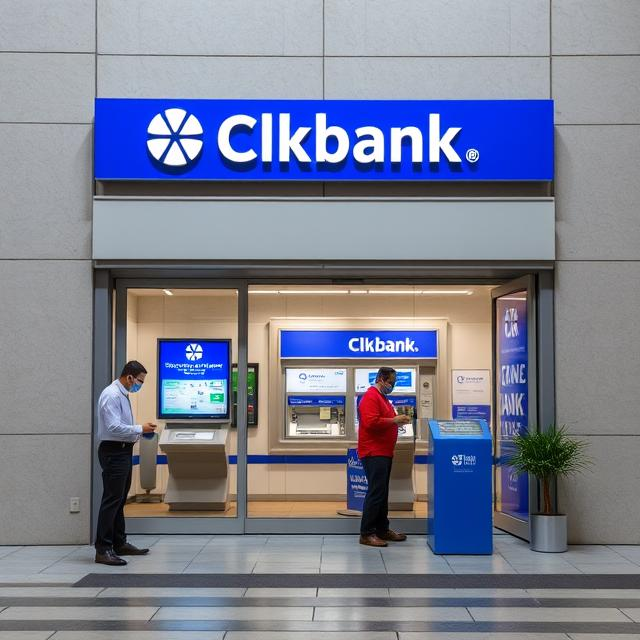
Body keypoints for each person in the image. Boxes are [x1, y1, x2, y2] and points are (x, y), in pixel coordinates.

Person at [95, 361, 157, 566]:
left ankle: (119, 543)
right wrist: (140, 429)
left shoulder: (122, 395)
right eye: (140, 381)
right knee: (111, 500)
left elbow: (121, 426)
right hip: (114, 451)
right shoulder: (111, 395)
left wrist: (139, 431)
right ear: (129, 377)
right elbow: (113, 427)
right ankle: (103, 549)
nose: (140, 385)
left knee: (120, 499)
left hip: (122, 451)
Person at [357, 366, 412, 547]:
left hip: (384, 452)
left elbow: (384, 421)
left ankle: (382, 529)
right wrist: (394, 420)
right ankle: (366, 533)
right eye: (391, 382)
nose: (392, 385)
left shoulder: (383, 398)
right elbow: (370, 422)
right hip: (373, 452)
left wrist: (396, 421)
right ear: (381, 378)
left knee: (382, 492)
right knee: (376, 492)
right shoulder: (371, 396)